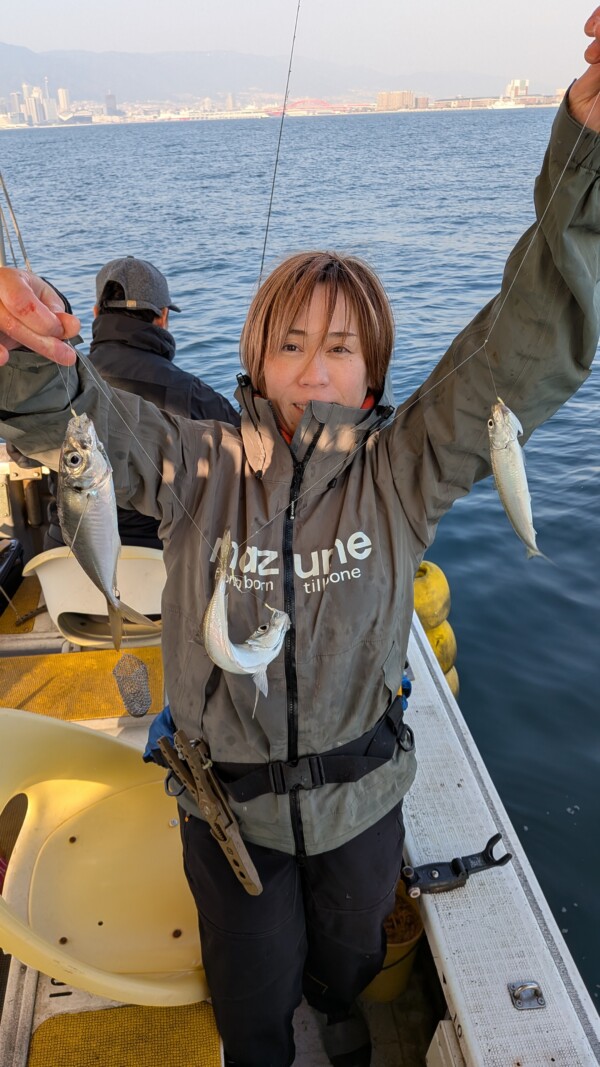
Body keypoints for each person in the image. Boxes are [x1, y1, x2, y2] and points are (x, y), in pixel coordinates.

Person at [1, 12, 600, 1066]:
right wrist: (25, 354)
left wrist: (587, 153)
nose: (314, 366)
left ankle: (340, 1006)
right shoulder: (195, 464)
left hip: (363, 803)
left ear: (373, 376)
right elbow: (83, 420)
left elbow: (525, 337)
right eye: (290, 343)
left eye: (341, 347)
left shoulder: (407, 467)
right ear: (255, 359)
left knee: (351, 953)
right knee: (250, 993)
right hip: (226, 817)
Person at [43, 256, 240, 548]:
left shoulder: (61, 381)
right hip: (159, 557)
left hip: (65, 554)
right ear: (163, 316)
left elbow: (23, 454)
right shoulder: (195, 394)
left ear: (96, 312)